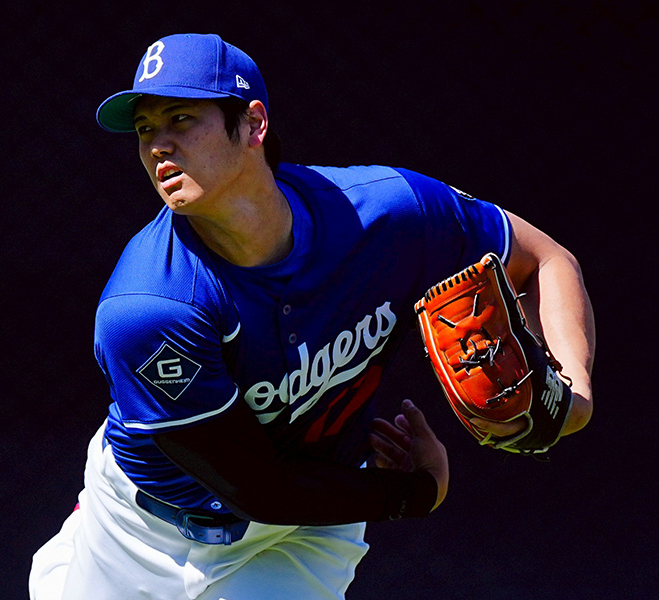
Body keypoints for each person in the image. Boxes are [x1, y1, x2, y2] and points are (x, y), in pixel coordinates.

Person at [29, 33, 595, 600]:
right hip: (139, 535)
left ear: (254, 124)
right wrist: (416, 494)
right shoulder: (151, 306)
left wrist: (574, 395)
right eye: (144, 128)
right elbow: (256, 488)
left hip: (301, 534)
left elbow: (544, 259)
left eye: (181, 118)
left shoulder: (388, 214)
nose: (158, 145)